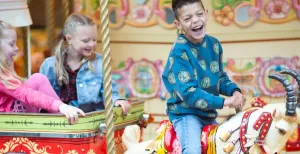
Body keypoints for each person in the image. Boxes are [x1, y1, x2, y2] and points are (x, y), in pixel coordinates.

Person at [161, 0, 246, 153]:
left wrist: (235, 91)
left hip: (208, 114)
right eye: (187, 18)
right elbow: (189, 93)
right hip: (186, 114)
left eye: (199, 14)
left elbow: (219, 78)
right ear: (178, 24)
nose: (195, 20)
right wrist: (226, 102)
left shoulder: (214, 45)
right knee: (193, 150)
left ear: (206, 15)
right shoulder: (179, 51)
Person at [40, 13, 130, 114]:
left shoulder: (99, 63)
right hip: (58, 122)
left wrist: (117, 100)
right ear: (69, 39)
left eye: (94, 39)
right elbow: (42, 97)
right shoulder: (49, 65)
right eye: (86, 40)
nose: (91, 44)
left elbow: (109, 91)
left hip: (88, 120)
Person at [0, 20, 85, 124]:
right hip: (11, 122)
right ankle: (62, 119)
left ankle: (61, 117)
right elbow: (26, 94)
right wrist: (60, 105)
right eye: (11, 44)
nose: (16, 48)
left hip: (12, 117)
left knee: (37, 79)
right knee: (37, 79)